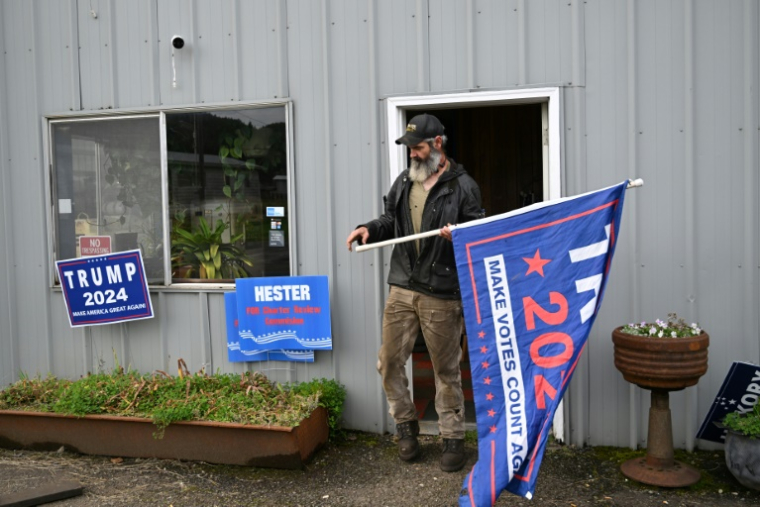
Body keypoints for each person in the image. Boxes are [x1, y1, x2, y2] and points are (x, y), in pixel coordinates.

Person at [346, 114, 483, 472]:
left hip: (442, 290)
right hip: (402, 285)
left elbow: (479, 234)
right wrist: (368, 229)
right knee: (389, 360)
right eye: (409, 149)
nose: (413, 155)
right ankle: (406, 427)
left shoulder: (464, 186)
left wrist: (461, 235)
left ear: (438, 143)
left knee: (446, 369)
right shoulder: (405, 181)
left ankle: (453, 438)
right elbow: (390, 219)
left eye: (418, 147)